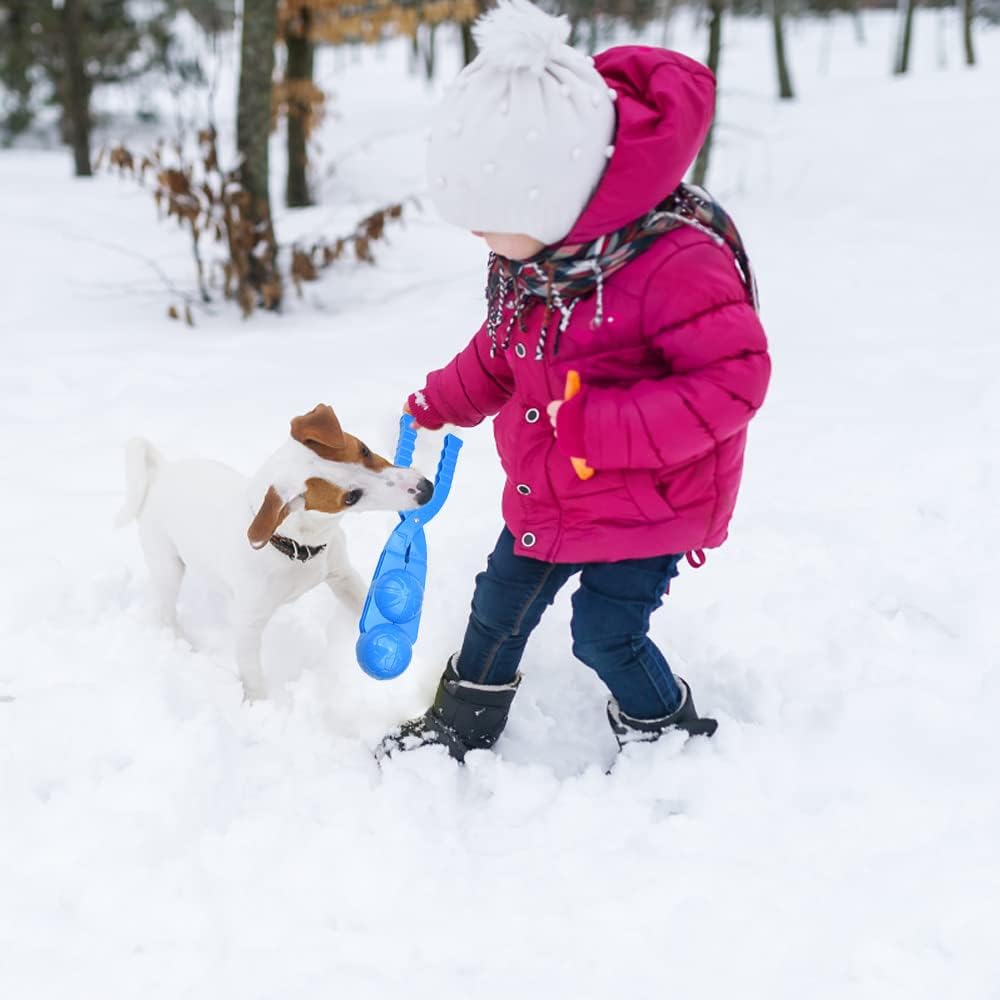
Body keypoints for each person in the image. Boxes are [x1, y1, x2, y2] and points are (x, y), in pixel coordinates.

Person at [378, 0, 770, 762]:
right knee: (496, 609)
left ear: (553, 195)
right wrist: (440, 400)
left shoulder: (675, 264)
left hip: (647, 502)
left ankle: (663, 728)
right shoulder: (543, 261)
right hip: (552, 491)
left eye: (489, 216)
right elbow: (503, 351)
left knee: (605, 634)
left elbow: (735, 380)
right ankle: (462, 725)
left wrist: (596, 427)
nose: (477, 237)